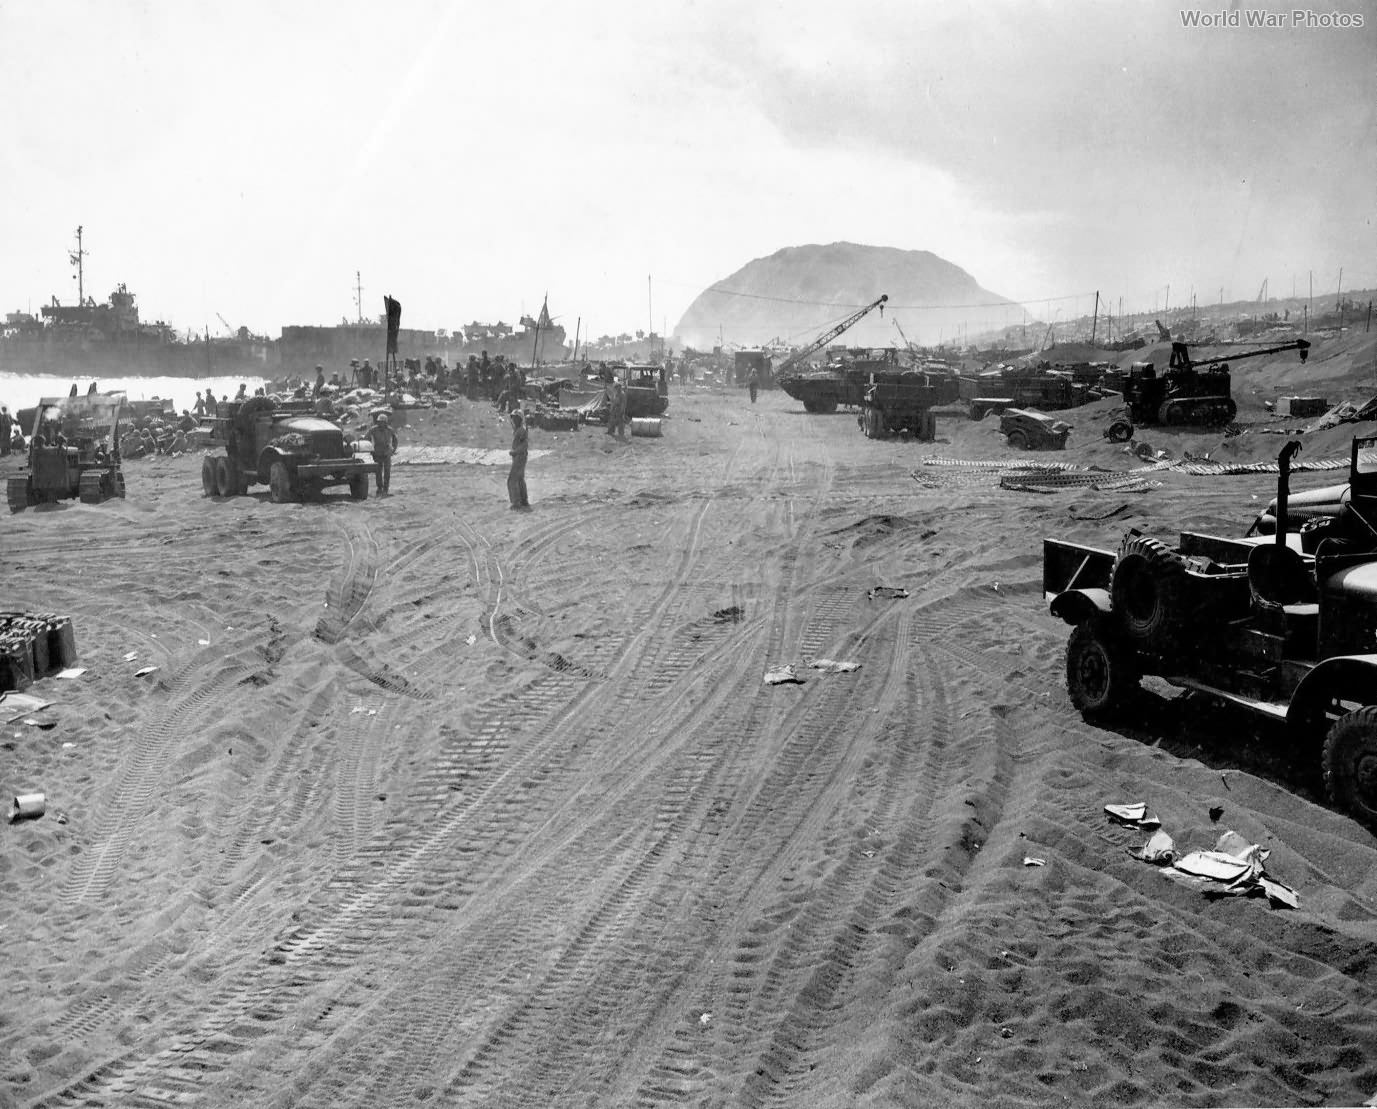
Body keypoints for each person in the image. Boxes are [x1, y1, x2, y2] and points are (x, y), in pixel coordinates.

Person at [366, 412, 397, 495]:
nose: (381, 424)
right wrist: (370, 449)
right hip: (377, 452)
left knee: (387, 472)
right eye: (379, 422)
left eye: (382, 422)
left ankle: (386, 489)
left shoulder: (390, 430)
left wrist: (393, 450)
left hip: (387, 452)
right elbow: (366, 438)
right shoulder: (373, 429)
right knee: (378, 472)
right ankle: (379, 488)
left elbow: (395, 440)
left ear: (386, 422)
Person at [507, 410, 529, 509]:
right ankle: (523, 500)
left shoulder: (521, 431)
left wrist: (515, 452)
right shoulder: (519, 430)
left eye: (516, 418)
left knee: (512, 479)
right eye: (513, 418)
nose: (513, 420)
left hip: (519, 457)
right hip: (520, 457)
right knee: (520, 479)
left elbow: (524, 445)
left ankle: (516, 502)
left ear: (519, 419)